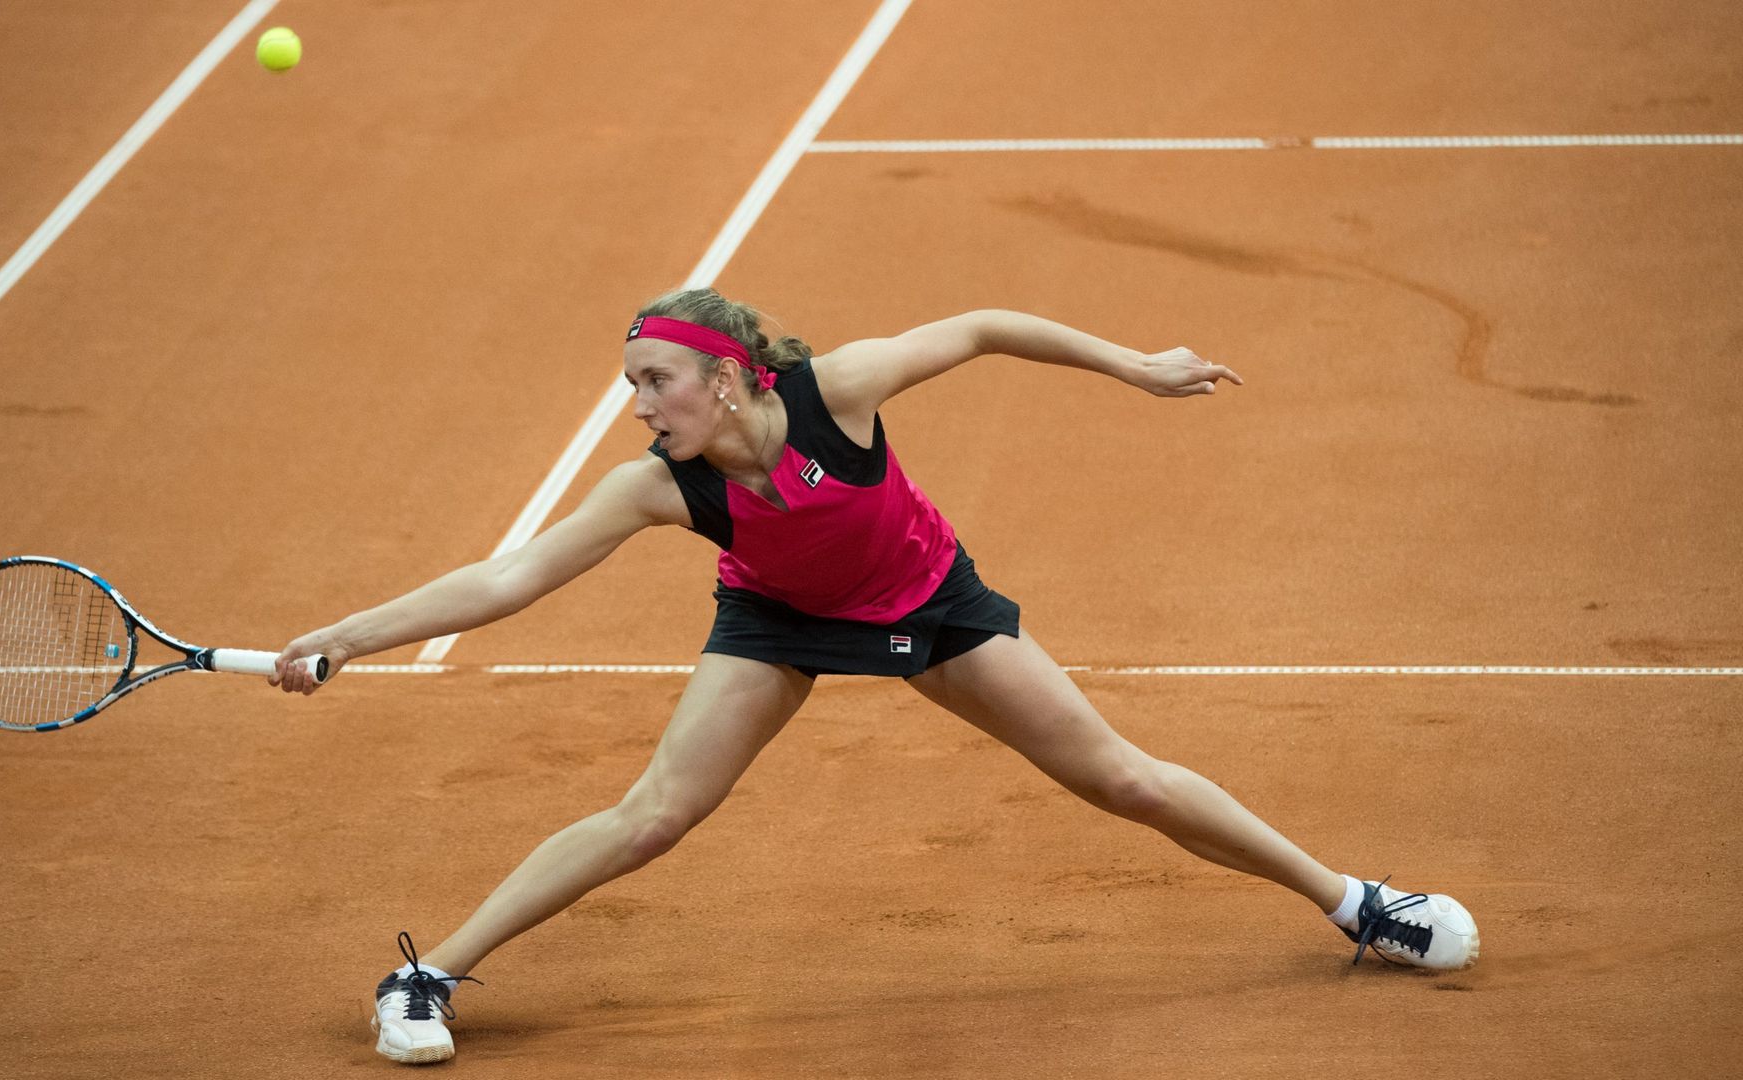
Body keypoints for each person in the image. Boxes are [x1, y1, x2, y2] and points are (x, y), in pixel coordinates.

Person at [269, 288, 1479, 1065]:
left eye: (655, 383)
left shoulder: (837, 389)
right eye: (632, 389)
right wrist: (343, 634)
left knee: (1127, 783)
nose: (640, 410)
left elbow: (989, 325)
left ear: (730, 377)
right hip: (782, 620)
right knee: (652, 817)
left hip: (929, 603)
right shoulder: (661, 487)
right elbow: (504, 583)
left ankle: (1353, 903)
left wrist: (1135, 365)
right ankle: (424, 975)